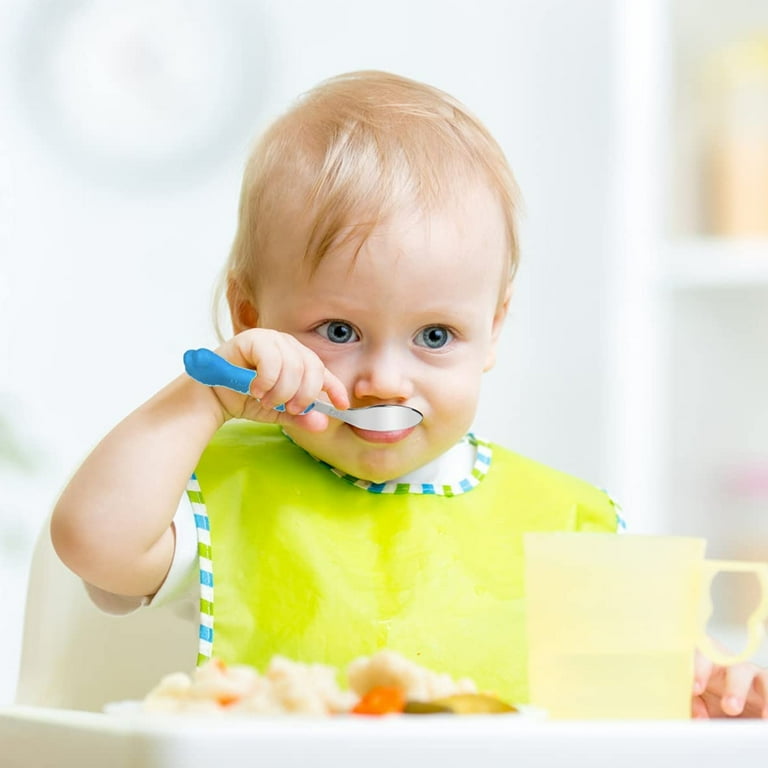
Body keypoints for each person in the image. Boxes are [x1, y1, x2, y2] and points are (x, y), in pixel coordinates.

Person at [50, 70, 767, 716]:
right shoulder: (221, 490)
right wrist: (202, 393)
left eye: (433, 336)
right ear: (249, 320)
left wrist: (696, 695)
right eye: (338, 329)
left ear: (492, 330)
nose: (386, 381)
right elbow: (93, 546)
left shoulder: (564, 525)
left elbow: (626, 706)